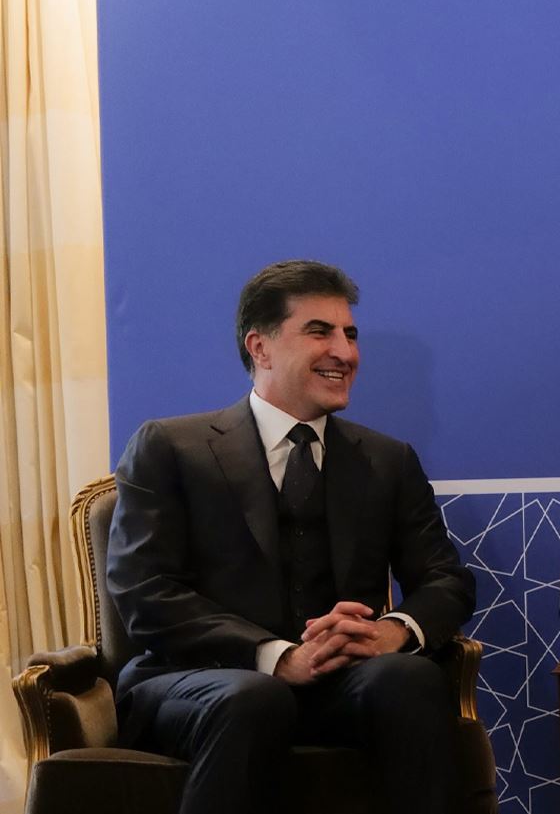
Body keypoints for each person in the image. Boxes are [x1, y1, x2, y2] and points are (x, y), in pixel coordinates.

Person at [107, 260, 476, 814]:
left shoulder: (387, 460)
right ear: (260, 348)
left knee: (407, 679)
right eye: (320, 332)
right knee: (254, 697)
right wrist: (276, 657)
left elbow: (446, 580)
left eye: (350, 334)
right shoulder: (170, 447)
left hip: (339, 682)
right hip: (200, 680)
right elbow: (144, 592)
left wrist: (391, 632)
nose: (345, 352)